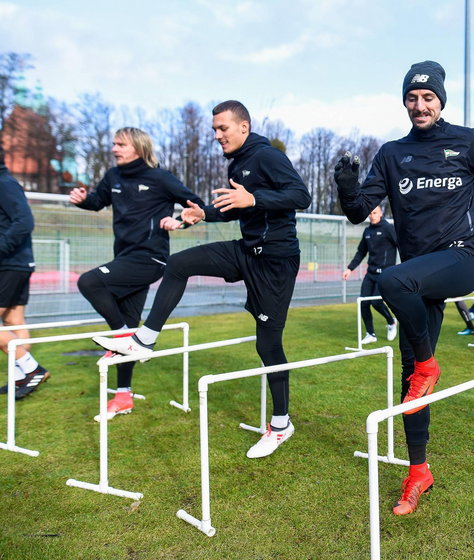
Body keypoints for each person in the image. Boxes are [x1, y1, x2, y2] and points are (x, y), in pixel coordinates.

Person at [333, 60, 474, 515]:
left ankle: (429, 365)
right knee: (410, 378)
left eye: (428, 97)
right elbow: (357, 210)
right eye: (412, 97)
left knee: (390, 281)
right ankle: (418, 471)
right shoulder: (391, 153)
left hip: (465, 258)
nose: (419, 105)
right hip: (419, 274)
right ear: (404, 101)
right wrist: (346, 186)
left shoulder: (467, 141)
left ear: (441, 100)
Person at [94, 101, 312, 457]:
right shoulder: (238, 162)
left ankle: (281, 424)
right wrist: (201, 214)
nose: (216, 135)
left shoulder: (267, 156)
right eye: (213, 129)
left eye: (222, 128)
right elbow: (234, 209)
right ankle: (145, 340)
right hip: (246, 251)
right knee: (177, 264)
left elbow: (302, 196)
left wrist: (253, 198)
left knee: (268, 345)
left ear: (244, 126)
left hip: (275, 261)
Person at [69, 127, 203, 419]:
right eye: (114, 144)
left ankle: (123, 337)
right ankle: (123, 396)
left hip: (151, 258)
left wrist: (180, 221)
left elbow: (197, 206)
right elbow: (98, 201)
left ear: (138, 147)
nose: (114, 149)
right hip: (125, 256)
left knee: (89, 282)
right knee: (129, 324)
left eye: (121, 144)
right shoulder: (113, 176)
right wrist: (83, 200)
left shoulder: (160, 178)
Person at [0, 144, 49, 400]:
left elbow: (25, 221)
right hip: (16, 263)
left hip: (10, 264)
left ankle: (31, 369)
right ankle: (22, 376)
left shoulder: (4, 183)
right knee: (12, 321)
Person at [342, 205, 398, 344]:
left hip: (385, 273)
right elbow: (361, 252)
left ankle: (391, 323)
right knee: (363, 303)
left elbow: (401, 245)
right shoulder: (367, 231)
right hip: (370, 273)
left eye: (375, 213)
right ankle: (370, 334)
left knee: (376, 302)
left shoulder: (388, 228)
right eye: (370, 213)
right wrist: (350, 268)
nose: (372, 215)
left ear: (381, 213)